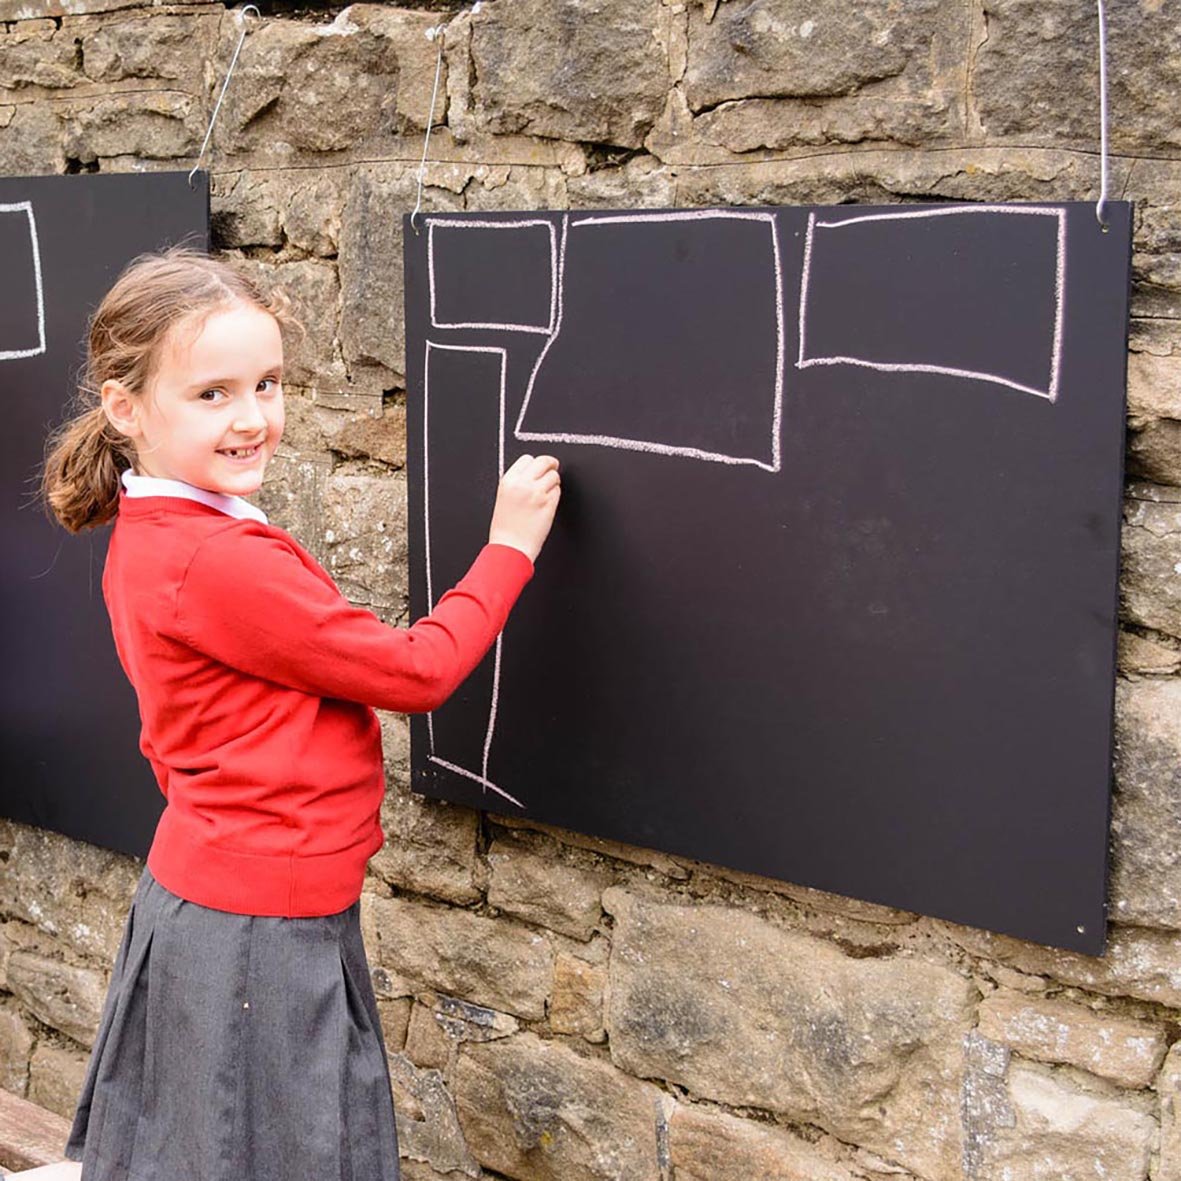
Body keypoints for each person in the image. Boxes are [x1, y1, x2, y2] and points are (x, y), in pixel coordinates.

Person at [39, 246, 561, 1181]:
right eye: (213, 394)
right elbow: (416, 670)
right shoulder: (214, 558)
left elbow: (181, 735)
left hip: (225, 899)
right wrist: (508, 548)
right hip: (255, 926)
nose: (253, 418)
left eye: (269, 383)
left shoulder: (165, 528)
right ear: (126, 407)